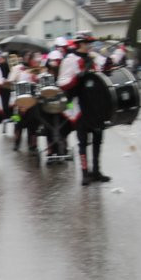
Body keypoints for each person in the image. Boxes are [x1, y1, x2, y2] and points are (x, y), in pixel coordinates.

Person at [57, 31, 111, 185]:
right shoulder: (70, 60)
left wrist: (107, 64)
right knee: (82, 141)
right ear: (80, 43)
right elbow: (62, 82)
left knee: (98, 139)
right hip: (80, 106)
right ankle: (85, 173)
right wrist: (78, 76)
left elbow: (104, 73)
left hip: (96, 104)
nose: (90, 45)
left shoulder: (93, 57)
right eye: (88, 43)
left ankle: (96, 171)